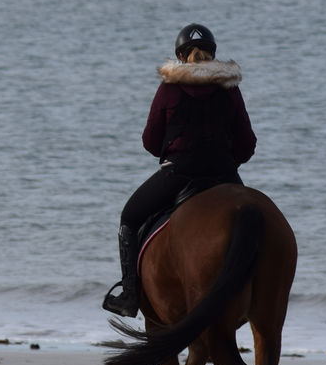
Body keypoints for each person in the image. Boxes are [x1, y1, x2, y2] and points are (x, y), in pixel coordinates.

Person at [101, 23, 256, 318]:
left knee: (129, 220)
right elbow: (247, 144)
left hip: (180, 174)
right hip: (224, 175)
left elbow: (150, 141)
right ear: (212, 55)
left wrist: (174, 152)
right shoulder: (230, 88)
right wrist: (226, 161)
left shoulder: (169, 88)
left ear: (181, 57)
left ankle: (130, 296)